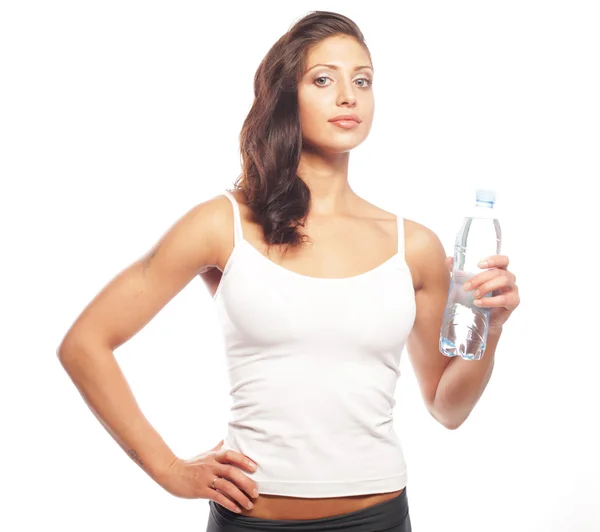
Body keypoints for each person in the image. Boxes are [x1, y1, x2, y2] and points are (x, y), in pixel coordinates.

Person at [57, 10, 520, 532]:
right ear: (284, 97)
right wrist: (168, 470)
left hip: (380, 519)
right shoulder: (224, 223)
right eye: (324, 79)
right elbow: (85, 342)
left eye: (362, 81)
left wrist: (492, 329)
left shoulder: (413, 245)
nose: (349, 96)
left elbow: (447, 408)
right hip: (251, 518)